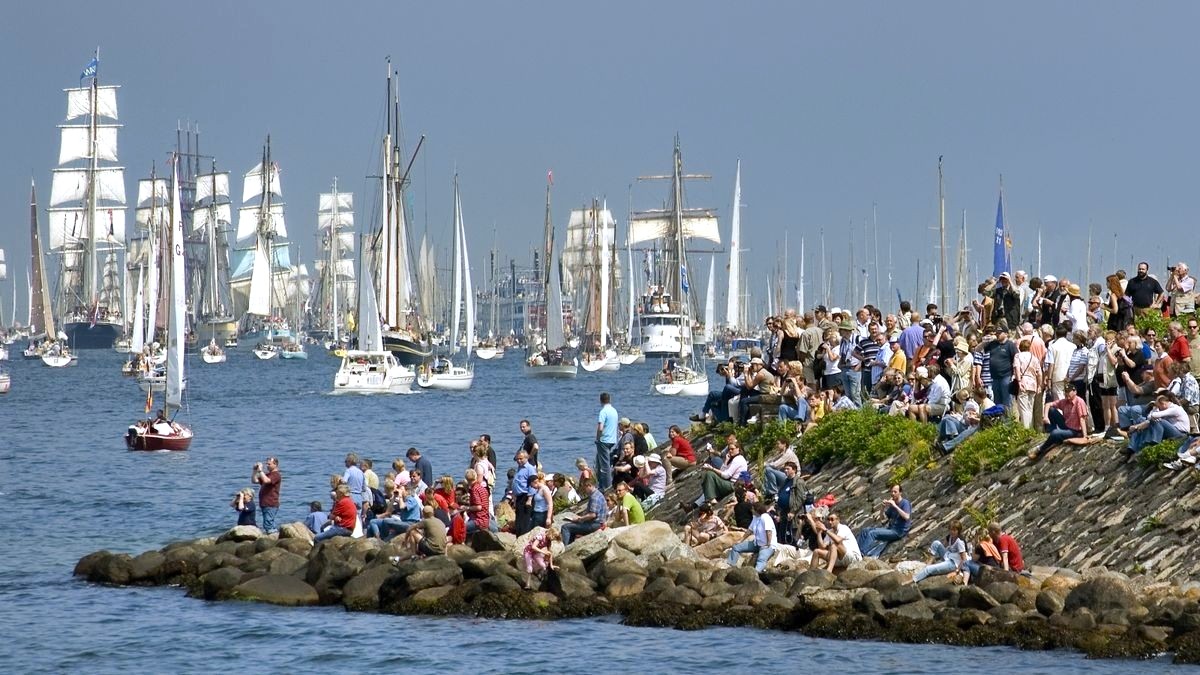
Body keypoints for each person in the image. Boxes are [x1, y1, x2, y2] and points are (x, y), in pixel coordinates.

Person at [1031, 386, 1098, 460]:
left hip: (1075, 431)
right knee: (1051, 410)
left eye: (1068, 391)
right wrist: (1046, 417)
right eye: (1066, 391)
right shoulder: (1064, 401)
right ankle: (1053, 433)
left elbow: (1082, 419)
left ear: (1075, 392)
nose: (1067, 393)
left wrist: (1085, 436)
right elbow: (1048, 404)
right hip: (1066, 425)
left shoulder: (1079, 402)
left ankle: (1040, 449)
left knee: (1055, 433)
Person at [856, 484, 912, 558]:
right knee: (865, 530)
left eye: (895, 492)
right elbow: (882, 519)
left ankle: (862, 554)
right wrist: (882, 508)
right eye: (892, 492)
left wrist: (895, 506)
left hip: (899, 531)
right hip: (890, 529)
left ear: (900, 493)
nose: (893, 494)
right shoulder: (892, 504)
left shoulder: (905, 503)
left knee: (872, 534)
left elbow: (907, 517)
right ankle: (857, 551)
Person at [1125, 394, 1190, 456]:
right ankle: (1132, 448)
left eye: (1159, 407)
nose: (1159, 409)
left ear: (1163, 404)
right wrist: (1137, 426)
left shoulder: (1175, 409)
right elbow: (1149, 418)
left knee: (1159, 421)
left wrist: (1155, 408)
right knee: (1142, 422)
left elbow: (1154, 415)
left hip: (1181, 434)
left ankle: (1152, 442)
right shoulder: (1166, 408)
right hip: (1171, 431)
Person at [912, 519, 968, 584]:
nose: (952, 532)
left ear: (958, 531)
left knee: (929, 569)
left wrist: (957, 571)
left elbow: (964, 559)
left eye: (954, 530)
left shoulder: (960, 542)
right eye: (951, 530)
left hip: (954, 563)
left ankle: (913, 580)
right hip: (949, 556)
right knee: (936, 543)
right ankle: (929, 562)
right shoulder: (950, 537)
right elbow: (944, 546)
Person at [727, 502, 776, 572]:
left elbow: (769, 531)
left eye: (752, 509)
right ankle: (730, 567)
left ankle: (755, 573)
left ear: (757, 510)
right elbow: (749, 530)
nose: (751, 510)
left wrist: (768, 544)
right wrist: (741, 540)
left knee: (761, 559)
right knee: (736, 547)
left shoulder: (765, 517)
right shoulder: (755, 518)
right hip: (757, 544)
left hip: (768, 545)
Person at [695, 440, 748, 505]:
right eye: (729, 449)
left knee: (710, 474)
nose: (730, 451)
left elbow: (726, 475)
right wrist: (726, 461)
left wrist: (712, 469)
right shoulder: (733, 458)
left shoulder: (738, 459)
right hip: (730, 483)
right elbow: (722, 470)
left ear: (738, 449)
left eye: (732, 449)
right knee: (711, 477)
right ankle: (707, 500)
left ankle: (711, 499)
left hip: (734, 485)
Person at [561, 479, 607, 545]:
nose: (584, 490)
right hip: (598, 523)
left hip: (595, 524)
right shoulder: (598, 494)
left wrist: (580, 519)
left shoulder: (594, 497)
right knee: (572, 528)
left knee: (565, 527)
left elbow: (593, 515)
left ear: (589, 486)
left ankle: (566, 547)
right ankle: (571, 546)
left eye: (584, 487)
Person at [250, 456, 281, 534]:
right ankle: (273, 534)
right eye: (266, 464)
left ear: (275, 464)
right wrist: (254, 470)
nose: (267, 466)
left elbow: (267, 481)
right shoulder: (267, 474)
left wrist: (260, 471)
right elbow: (254, 481)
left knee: (268, 524)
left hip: (271, 503)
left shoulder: (276, 475)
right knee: (267, 523)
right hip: (264, 503)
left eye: (269, 464)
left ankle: (273, 535)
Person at [595, 393, 619, 490]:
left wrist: (598, 438)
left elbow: (600, 428)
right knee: (600, 462)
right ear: (610, 399)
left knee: (604, 465)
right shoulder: (614, 411)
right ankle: (601, 484)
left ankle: (607, 487)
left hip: (604, 440)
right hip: (612, 439)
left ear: (600, 400)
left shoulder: (603, 411)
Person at [463, 468, 497, 534]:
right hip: (486, 519)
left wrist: (467, 508)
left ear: (467, 480)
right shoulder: (482, 488)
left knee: (460, 528)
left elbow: (479, 507)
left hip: (478, 521)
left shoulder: (474, 490)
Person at [511, 451, 537, 536]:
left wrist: (529, 499)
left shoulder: (530, 468)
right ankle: (518, 536)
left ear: (526, 458)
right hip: (519, 497)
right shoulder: (520, 468)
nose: (519, 461)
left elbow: (533, 483)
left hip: (526, 496)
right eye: (517, 459)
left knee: (524, 520)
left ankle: (523, 537)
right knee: (518, 519)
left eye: (521, 459)